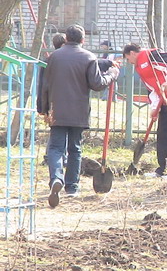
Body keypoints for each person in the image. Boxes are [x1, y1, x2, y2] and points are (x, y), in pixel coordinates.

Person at [41, 24, 119, 208]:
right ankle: (72, 187)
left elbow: (45, 85)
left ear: (66, 38)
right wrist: (112, 75)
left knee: (55, 149)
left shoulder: (54, 57)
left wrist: (45, 110)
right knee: (75, 149)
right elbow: (97, 84)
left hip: (57, 111)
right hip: (79, 112)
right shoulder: (89, 57)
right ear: (83, 40)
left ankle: (55, 180)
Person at [123, 43, 167, 178]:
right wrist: (154, 108)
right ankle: (163, 168)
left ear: (132, 53)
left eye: (127, 58)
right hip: (163, 98)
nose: (128, 62)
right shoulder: (139, 68)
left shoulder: (151, 55)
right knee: (163, 131)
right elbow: (151, 89)